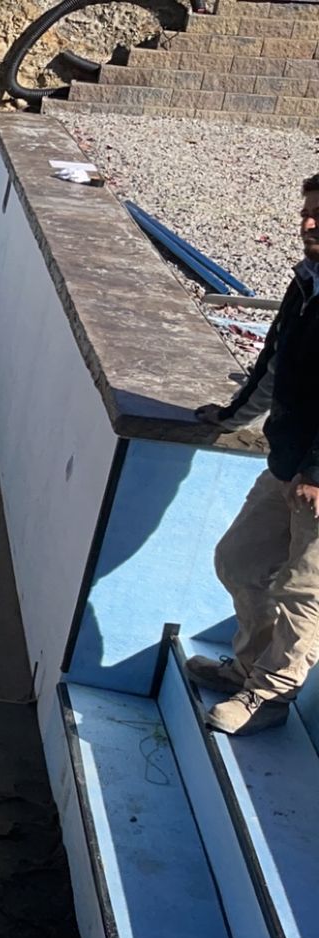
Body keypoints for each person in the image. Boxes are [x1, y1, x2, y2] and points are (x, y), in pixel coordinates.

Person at [194, 173, 319, 735]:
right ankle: (247, 667)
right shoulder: (306, 282)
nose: (308, 224)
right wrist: (231, 416)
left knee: (303, 590)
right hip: (288, 461)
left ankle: (269, 697)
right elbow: (272, 364)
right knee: (239, 561)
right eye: (307, 213)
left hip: (315, 474)